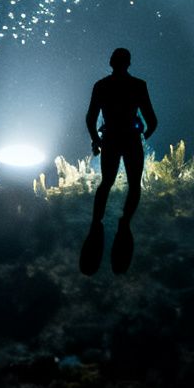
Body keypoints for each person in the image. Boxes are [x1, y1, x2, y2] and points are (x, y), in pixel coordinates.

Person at [81, 47, 157, 274]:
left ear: (111, 62)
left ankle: (97, 223)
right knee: (135, 185)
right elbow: (152, 120)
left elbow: (90, 118)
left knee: (106, 182)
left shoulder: (101, 86)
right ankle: (125, 223)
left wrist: (97, 141)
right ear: (129, 63)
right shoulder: (139, 86)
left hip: (111, 138)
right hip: (131, 140)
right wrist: (143, 135)